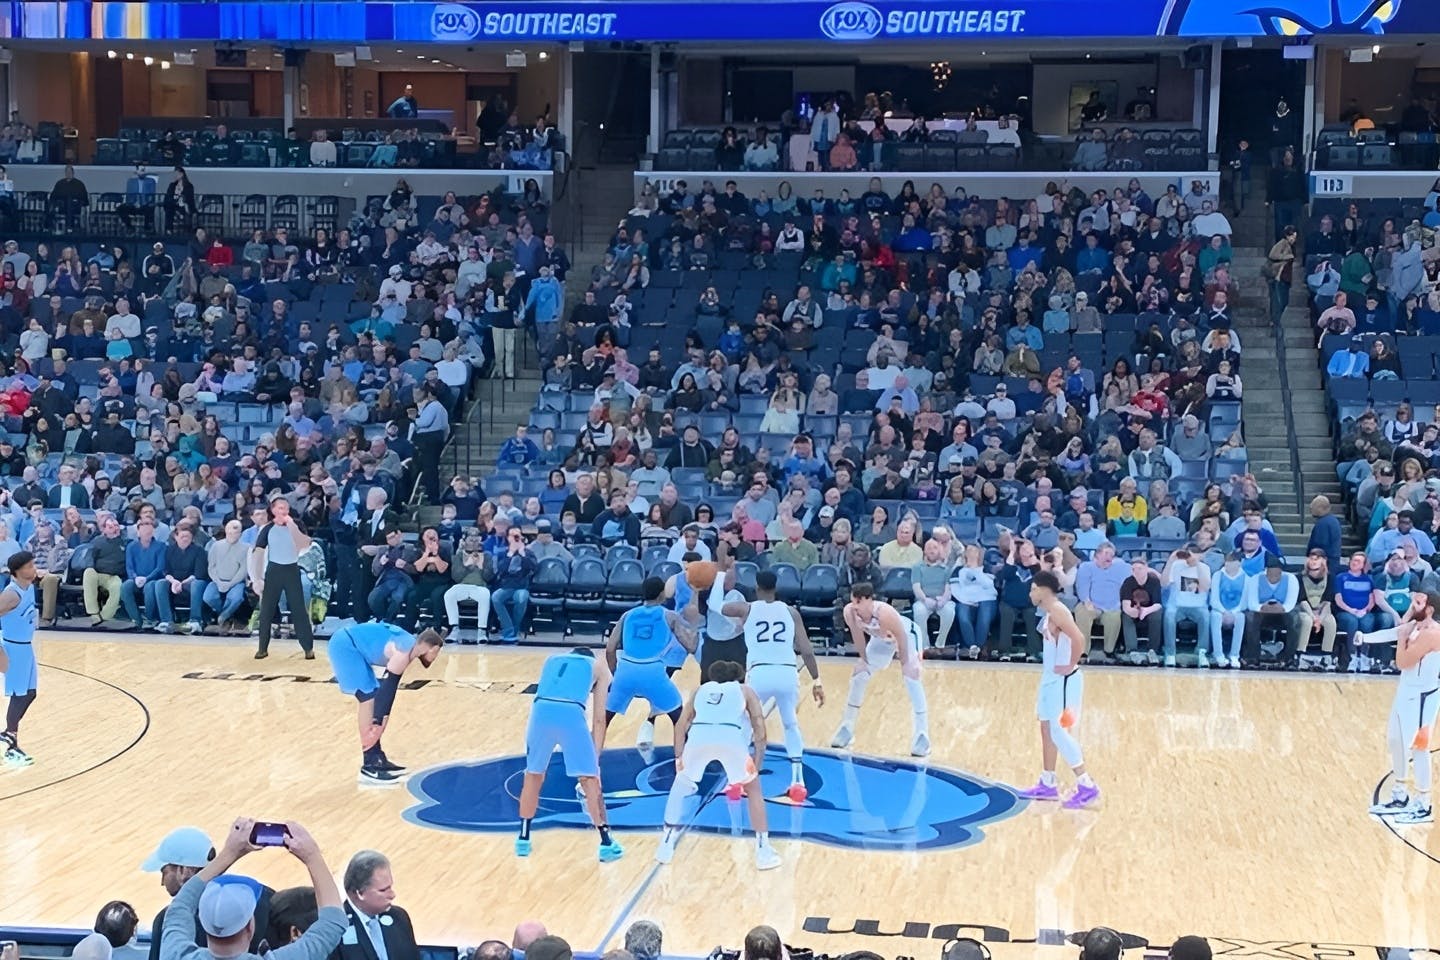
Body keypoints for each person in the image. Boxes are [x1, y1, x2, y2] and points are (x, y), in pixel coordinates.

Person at [158, 817, 346, 960]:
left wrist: (230, 853)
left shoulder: (176, 953)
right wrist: (312, 856)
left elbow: (182, 904)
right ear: (250, 927)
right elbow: (332, 922)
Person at [654, 659, 781, 871]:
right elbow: (759, 727)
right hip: (730, 737)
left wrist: (679, 757)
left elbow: (681, 724)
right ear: (738, 677)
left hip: (699, 736)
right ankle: (763, 851)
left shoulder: (701, 690)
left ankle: (665, 844)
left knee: (679, 788)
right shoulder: (745, 690)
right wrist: (757, 762)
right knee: (754, 790)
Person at [718, 570, 824, 797]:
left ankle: (736, 781)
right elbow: (806, 649)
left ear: (757, 588)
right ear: (776, 587)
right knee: (790, 724)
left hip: (760, 672)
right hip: (786, 672)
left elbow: (719, 606)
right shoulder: (791, 612)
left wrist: (719, 579)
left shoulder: (746, 608)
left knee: (745, 723)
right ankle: (798, 782)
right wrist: (817, 680)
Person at [515, 647, 624, 862]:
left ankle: (523, 839)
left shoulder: (551, 659)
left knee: (534, 774)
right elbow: (600, 719)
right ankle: (606, 842)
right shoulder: (600, 666)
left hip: (540, 713)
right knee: (588, 778)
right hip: (570, 714)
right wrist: (595, 760)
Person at [1015, 571, 1101, 809]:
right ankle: (1048, 782)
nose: (1030, 593)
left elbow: (1079, 639)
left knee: (1059, 732)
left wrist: (1070, 663)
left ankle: (1087, 785)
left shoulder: (1059, 610)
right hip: (1050, 679)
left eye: (1033, 588)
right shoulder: (1050, 611)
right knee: (1045, 728)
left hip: (1064, 681)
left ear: (1044, 590)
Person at [325, 620, 444, 785]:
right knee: (368, 698)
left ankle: (375, 756)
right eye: (436, 652)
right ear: (430, 648)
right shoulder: (404, 652)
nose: (435, 657)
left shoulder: (409, 644)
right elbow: (388, 692)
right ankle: (369, 766)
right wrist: (378, 723)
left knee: (372, 695)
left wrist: (379, 721)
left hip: (350, 643)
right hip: (345, 646)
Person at [831, 581, 930, 757]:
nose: (855, 606)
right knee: (859, 675)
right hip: (880, 639)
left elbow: (901, 636)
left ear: (870, 600)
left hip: (906, 635)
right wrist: (863, 659)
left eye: (859, 602)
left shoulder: (885, 613)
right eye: (854, 601)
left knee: (911, 675)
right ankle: (847, 727)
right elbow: (857, 635)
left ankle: (922, 736)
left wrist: (905, 661)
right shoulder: (850, 612)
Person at [1366, 592, 1440, 824]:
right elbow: (1399, 629)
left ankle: (1424, 803)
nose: (1412, 604)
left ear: (1429, 610)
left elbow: (1403, 662)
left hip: (1423, 696)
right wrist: (1363, 638)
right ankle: (1400, 794)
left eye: (1418, 602)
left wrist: (1401, 639)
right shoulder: (1415, 626)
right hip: (1405, 692)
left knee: (1419, 748)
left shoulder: (1433, 634)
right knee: (1395, 740)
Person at [603, 577, 697, 739]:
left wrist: (615, 673)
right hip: (653, 672)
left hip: (625, 671)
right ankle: (686, 758)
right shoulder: (670, 616)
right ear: (662, 594)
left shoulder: (627, 615)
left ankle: (588, 756)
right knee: (678, 718)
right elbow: (691, 646)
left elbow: (610, 649)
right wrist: (694, 625)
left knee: (602, 721)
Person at [250, 497, 315, 659]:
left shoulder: (297, 525)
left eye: (286, 508)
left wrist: (291, 525)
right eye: (280, 508)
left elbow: (304, 544)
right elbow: (258, 552)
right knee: (266, 610)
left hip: (292, 569)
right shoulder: (267, 528)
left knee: (299, 609)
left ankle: (308, 647)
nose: (284, 511)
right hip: (274, 570)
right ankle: (262, 647)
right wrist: (257, 578)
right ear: (273, 510)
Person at [335, 851, 420, 960]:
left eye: (390, 887)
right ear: (360, 893)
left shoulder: (399, 917)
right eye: (383, 890)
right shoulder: (336, 927)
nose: (392, 895)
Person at [0, 550, 38, 766]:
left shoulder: (28, 587)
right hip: (13, 649)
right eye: (30, 566)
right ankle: (11, 740)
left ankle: (7, 734)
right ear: (18, 571)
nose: (34, 569)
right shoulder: (12, 594)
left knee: (30, 693)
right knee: (18, 695)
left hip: (26, 648)